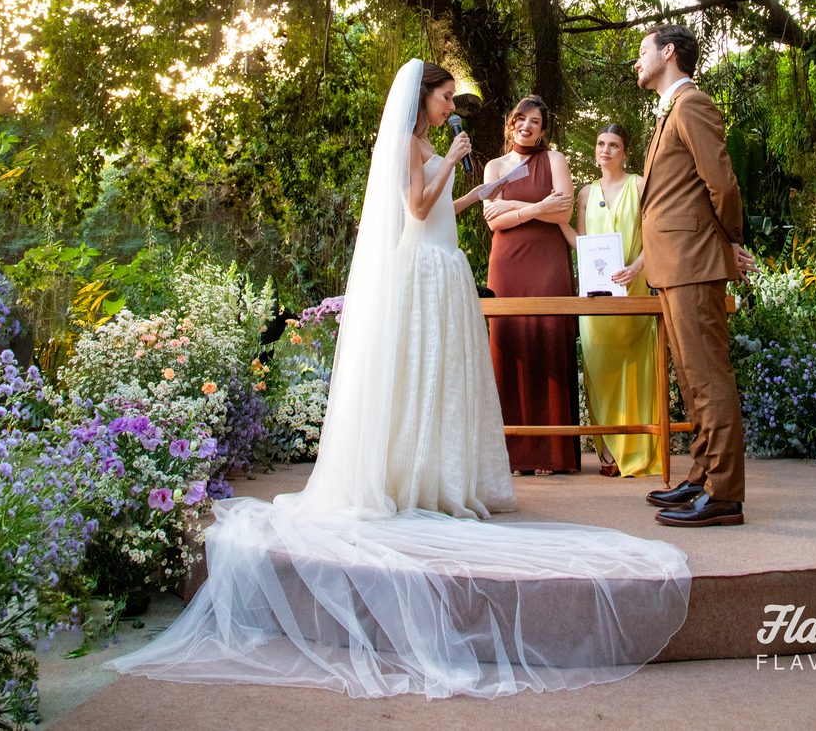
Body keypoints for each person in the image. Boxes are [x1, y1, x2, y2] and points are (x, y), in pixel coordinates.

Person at [111, 58, 692, 698]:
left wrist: (471, 191)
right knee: (423, 377)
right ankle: (413, 477)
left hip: (444, 263)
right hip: (424, 268)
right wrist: (451, 159)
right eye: (446, 98)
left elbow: (442, 201)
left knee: (443, 383)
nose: (452, 107)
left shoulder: (428, 145)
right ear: (426, 100)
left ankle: (442, 472)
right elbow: (417, 208)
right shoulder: (414, 144)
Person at [634, 26, 755, 529]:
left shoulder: (692, 105)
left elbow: (721, 182)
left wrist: (730, 238)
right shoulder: (672, 111)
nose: (636, 63)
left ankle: (724, 494)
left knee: (708, 378)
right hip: (674, 263)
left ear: (668, 53)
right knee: (692, 379)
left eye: (642, 52)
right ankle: (704, 476)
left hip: (694, 260)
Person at [482, 96, 578, 474]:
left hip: (549, 261)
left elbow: (566, 210)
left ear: (542, 129)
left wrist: (516, 209)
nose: (527, 126)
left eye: (535, 121)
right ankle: (513, 454)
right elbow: (493, 221)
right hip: (507, 264)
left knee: (549, 338)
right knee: (509, 344)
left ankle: (551, 454)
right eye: (521, 119)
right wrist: (540, 208)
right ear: (511, 123)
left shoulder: (554, 160)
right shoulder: (494, 166)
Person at [574, 122, 658, 478]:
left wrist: (639, 266)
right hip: (595, 296)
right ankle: (607, 452)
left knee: (635, 368)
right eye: (600, 144)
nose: (605, 150)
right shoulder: (583, 194)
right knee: (599, 368)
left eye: (613, 145)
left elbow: (655, 232)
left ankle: (639, 450)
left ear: (625, 152)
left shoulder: (639, 185)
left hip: (634, 289)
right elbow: (581, 240)